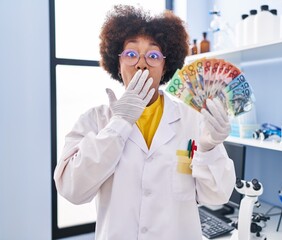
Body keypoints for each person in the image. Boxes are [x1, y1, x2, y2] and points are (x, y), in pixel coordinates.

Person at [54, 5, 235, 240]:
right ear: (117, 63)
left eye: (153, 55)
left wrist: (209, 149)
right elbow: (72, 190)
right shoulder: (95, 120)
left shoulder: (193, 120)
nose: (141, 64)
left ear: (165, 66)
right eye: (130, 54)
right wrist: (119, 124)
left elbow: (217, 196)